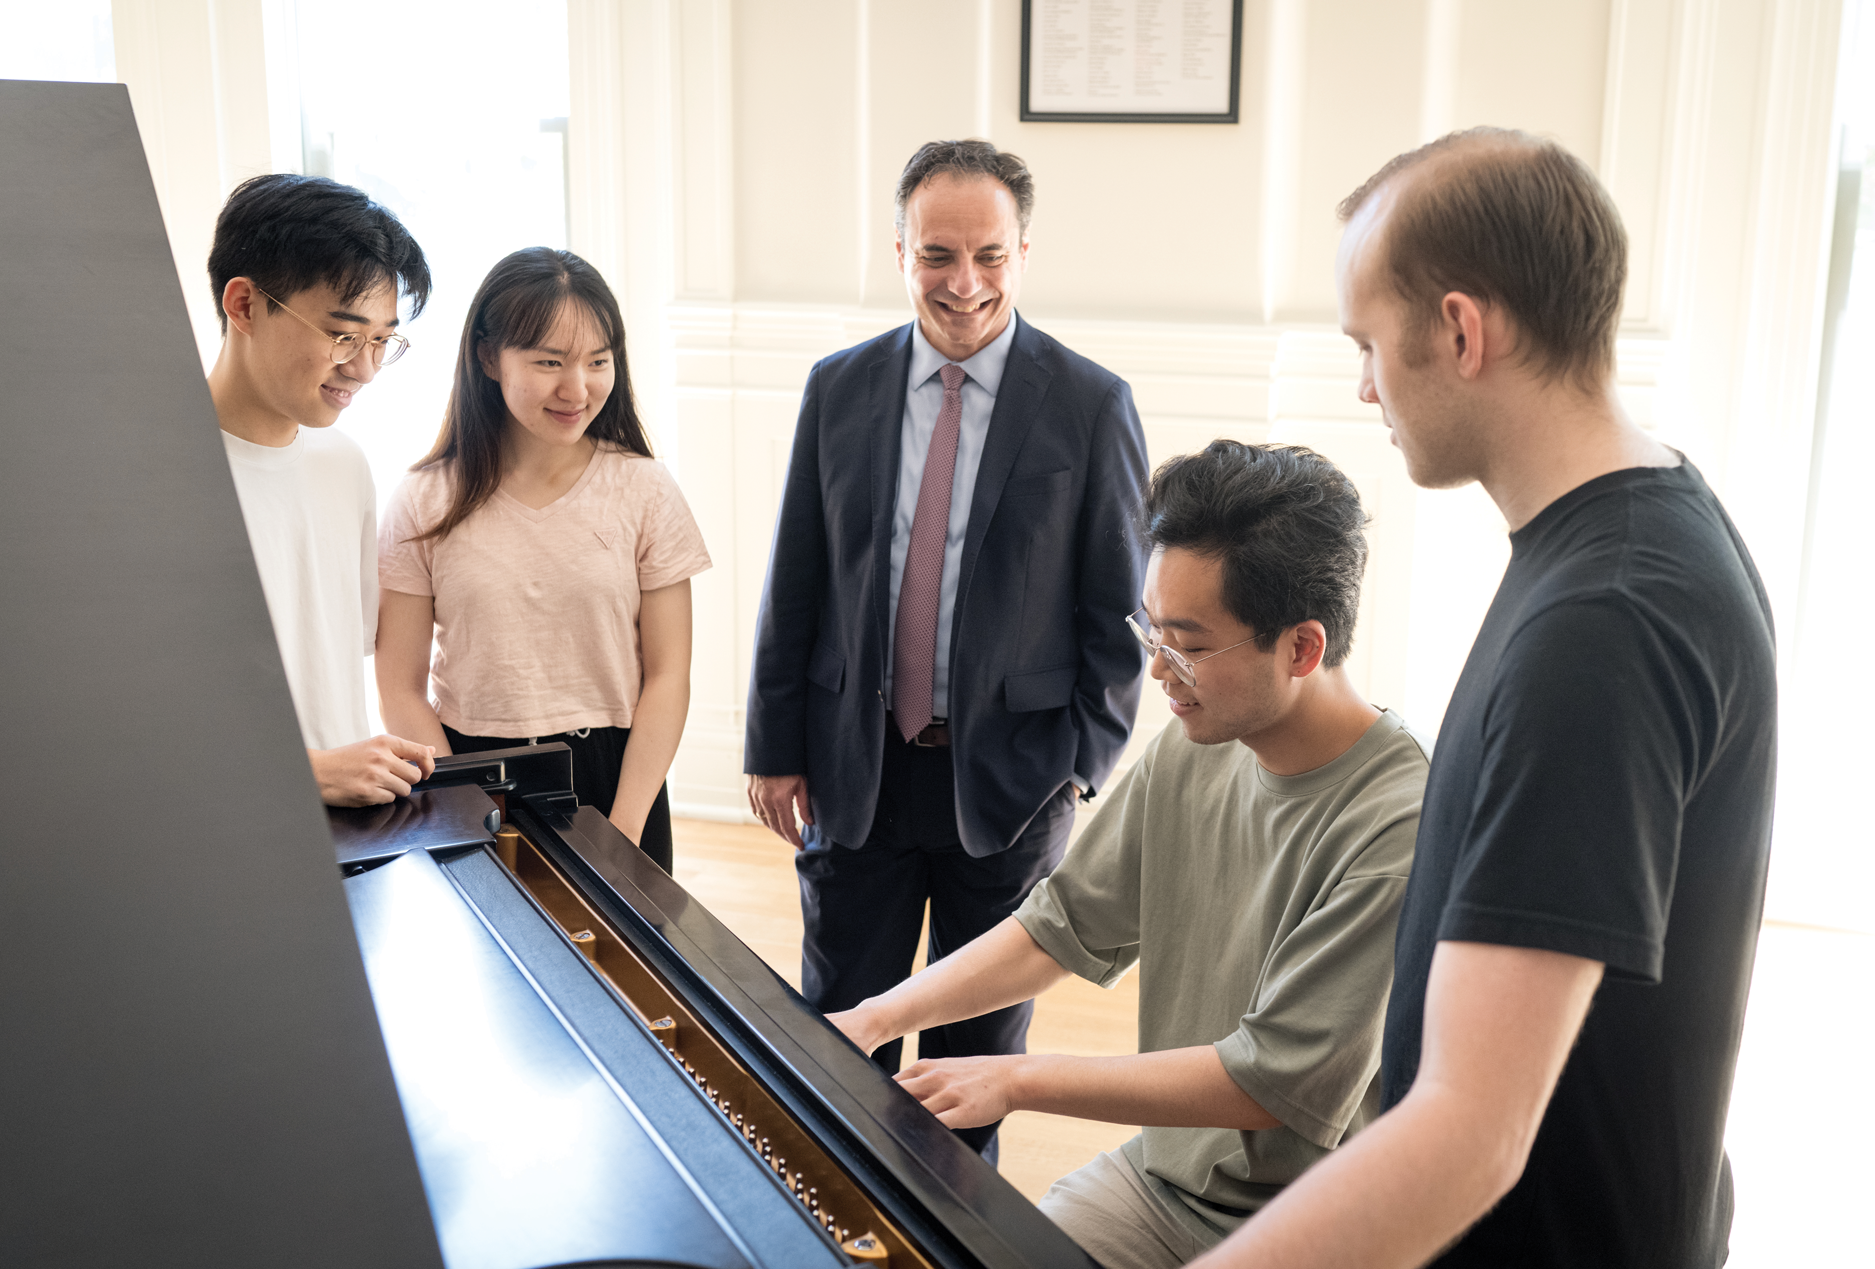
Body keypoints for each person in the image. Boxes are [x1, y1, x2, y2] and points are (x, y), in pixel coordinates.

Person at [1195, 129, 1777, 1269]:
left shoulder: (1602, 622)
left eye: (1368, 343)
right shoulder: (1645, 523)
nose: (1364, 385)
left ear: (1460, 330)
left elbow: (1470, 1134)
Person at [830, 441, 1430, 1268]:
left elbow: (1264, 1082)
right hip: (1163, 1178)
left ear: (1301, 647)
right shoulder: (1196, 742)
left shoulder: (1395, 826)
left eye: (1185, 643)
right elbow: (1060, 927)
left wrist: (1016, 1077)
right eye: (1150, 628)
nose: (1156, 668)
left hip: (1319, 1224)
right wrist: (878, 1015)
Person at [743, 139, 1150, 1161]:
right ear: (898, 253)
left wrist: (1077, 771)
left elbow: (1120, 613)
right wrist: (771, 743)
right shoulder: (837, 389)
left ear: (1022, 253)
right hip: (855, 771)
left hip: (1009, 787)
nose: (963, 283)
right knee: (837, 1036)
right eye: (937, 254)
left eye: (988, 255)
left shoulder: (1090, 404)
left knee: (972, 1064)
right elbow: (795, 576)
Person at [376, 248, 709, 872]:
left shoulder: (645, 489)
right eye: (549, 362)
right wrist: (458, 802)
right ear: (487, 358)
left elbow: (668, 675)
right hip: (466, 767)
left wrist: (626, 828)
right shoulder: (425, 498)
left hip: (615, 775)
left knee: (624, 965)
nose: (576, 388)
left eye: (598, 362)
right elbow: (399, 685)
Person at [206, 173, 438, 808]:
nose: (363, 369)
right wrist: (305, 773)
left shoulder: (344, 464)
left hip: (351, 835)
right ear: (245, 304)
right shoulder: (160, 478)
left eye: (382, 341)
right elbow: (130, 718)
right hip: (223, 831)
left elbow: (339, 663)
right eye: (343, 335)